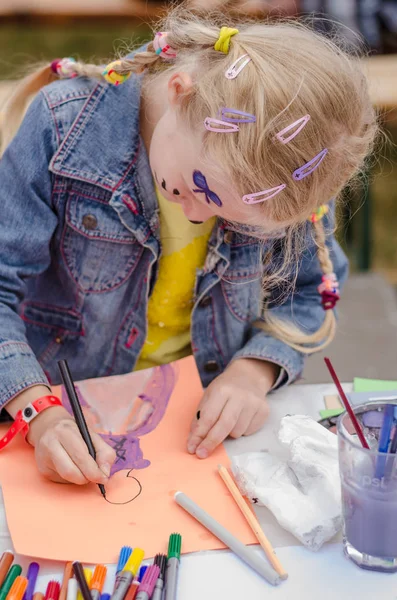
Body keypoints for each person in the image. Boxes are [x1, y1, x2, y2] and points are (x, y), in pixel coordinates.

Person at [0, 7, 377, 487]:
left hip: (197, 434)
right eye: (197, 189)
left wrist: (254, 372)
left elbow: (311, 293)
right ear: (180, 92)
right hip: (59, 408)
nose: (198, 215)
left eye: (230, 217)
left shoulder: (276, 176)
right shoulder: (64, 128)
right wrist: (41, 412)